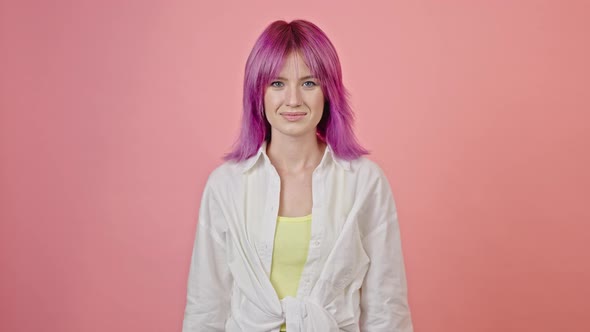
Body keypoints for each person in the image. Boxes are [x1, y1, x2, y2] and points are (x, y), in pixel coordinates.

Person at [182, 19, 414, 332]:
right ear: (258, 93)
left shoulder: (365, 183)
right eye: (277, 84)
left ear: (328, 92)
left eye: (309, 83)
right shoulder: (226, 186)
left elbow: (387, 308)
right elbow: (206, 309)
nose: (293, 100)